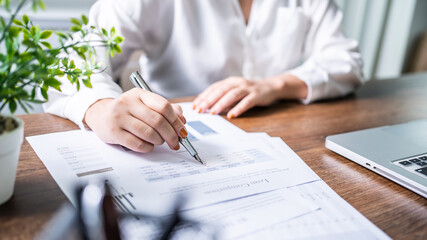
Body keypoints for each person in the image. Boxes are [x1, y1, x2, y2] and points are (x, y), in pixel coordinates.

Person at [44, 0, 364, 153]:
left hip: (282, 135)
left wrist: (275, 85)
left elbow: (346, 61)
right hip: (176, 138)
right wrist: (101, 108)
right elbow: (70, 66)